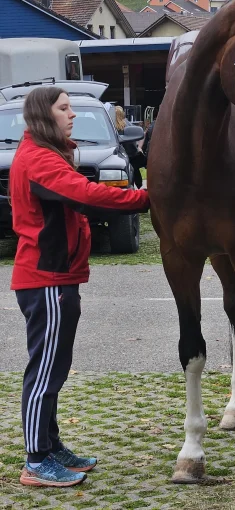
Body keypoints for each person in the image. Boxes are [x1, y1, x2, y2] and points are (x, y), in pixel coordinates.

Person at [9, 87, 150, 487]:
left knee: (55, 366)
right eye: (65, 108)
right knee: (45, 372)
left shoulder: (49, 153)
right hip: (45, 280)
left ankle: (51, 446)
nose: (72, 115)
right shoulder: (38, 159)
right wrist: (145, 198)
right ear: (44, 115)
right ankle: (36, 460)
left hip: (56, 278)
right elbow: (86, 195)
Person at [115, 105, 145, 189]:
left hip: (120, 156)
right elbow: (140, 133)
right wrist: (139, 147)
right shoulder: (127, 124)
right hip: (133, 154)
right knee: (136, 174)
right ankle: (139, 191)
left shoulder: (111, 126)